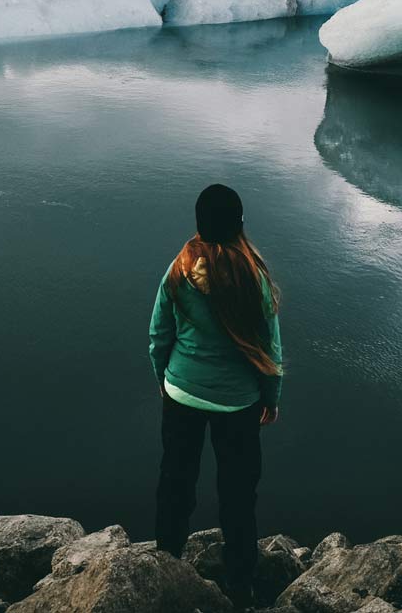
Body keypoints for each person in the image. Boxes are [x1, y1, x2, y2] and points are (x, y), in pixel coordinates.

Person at [148, 183, 283, 611]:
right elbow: (271, 353)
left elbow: (158, 337)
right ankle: (241, 585)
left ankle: (166, 564)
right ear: (240, 225)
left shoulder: (179, 269)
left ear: (199, 224)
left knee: (175, 482)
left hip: (181, 393)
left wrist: (165, 379)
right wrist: (271, 398)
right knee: (239, 495)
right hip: (238, 403)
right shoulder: (254, 277)